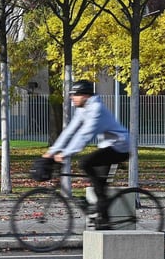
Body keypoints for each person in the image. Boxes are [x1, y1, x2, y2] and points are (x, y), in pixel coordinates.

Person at [44, 80, 130, 228]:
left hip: (120, 146)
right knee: (99, 185)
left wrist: (65, 153)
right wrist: (51, 152)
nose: (72, 98)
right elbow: (70, 131)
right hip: (108, 146)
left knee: (85, 163)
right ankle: (105, 221)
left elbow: (84, 135)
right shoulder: (83, 109)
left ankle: (102, 206)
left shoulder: (96, 109)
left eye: (75, 95)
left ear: (85, 95)